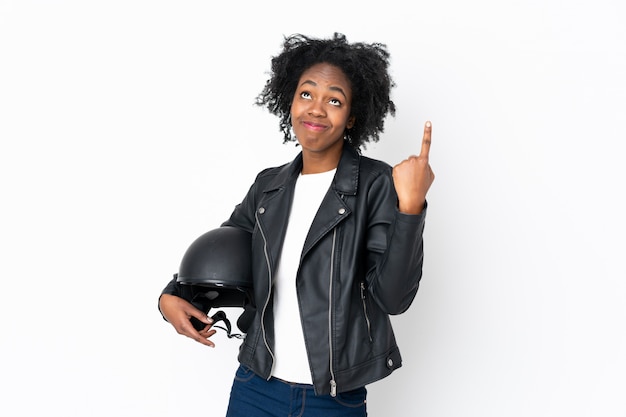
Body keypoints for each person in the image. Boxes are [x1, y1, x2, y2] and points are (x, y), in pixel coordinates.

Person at [158, 32, 435, 417]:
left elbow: (393, 298)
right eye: (307, 94)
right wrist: (172, 295)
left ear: (352, 116)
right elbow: (224, 255)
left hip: (333, 400)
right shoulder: (268, 187)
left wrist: (411, 207)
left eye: (334, 100)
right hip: (255, 388)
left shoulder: (376, 185)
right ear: (290, 101)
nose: (317, 109)